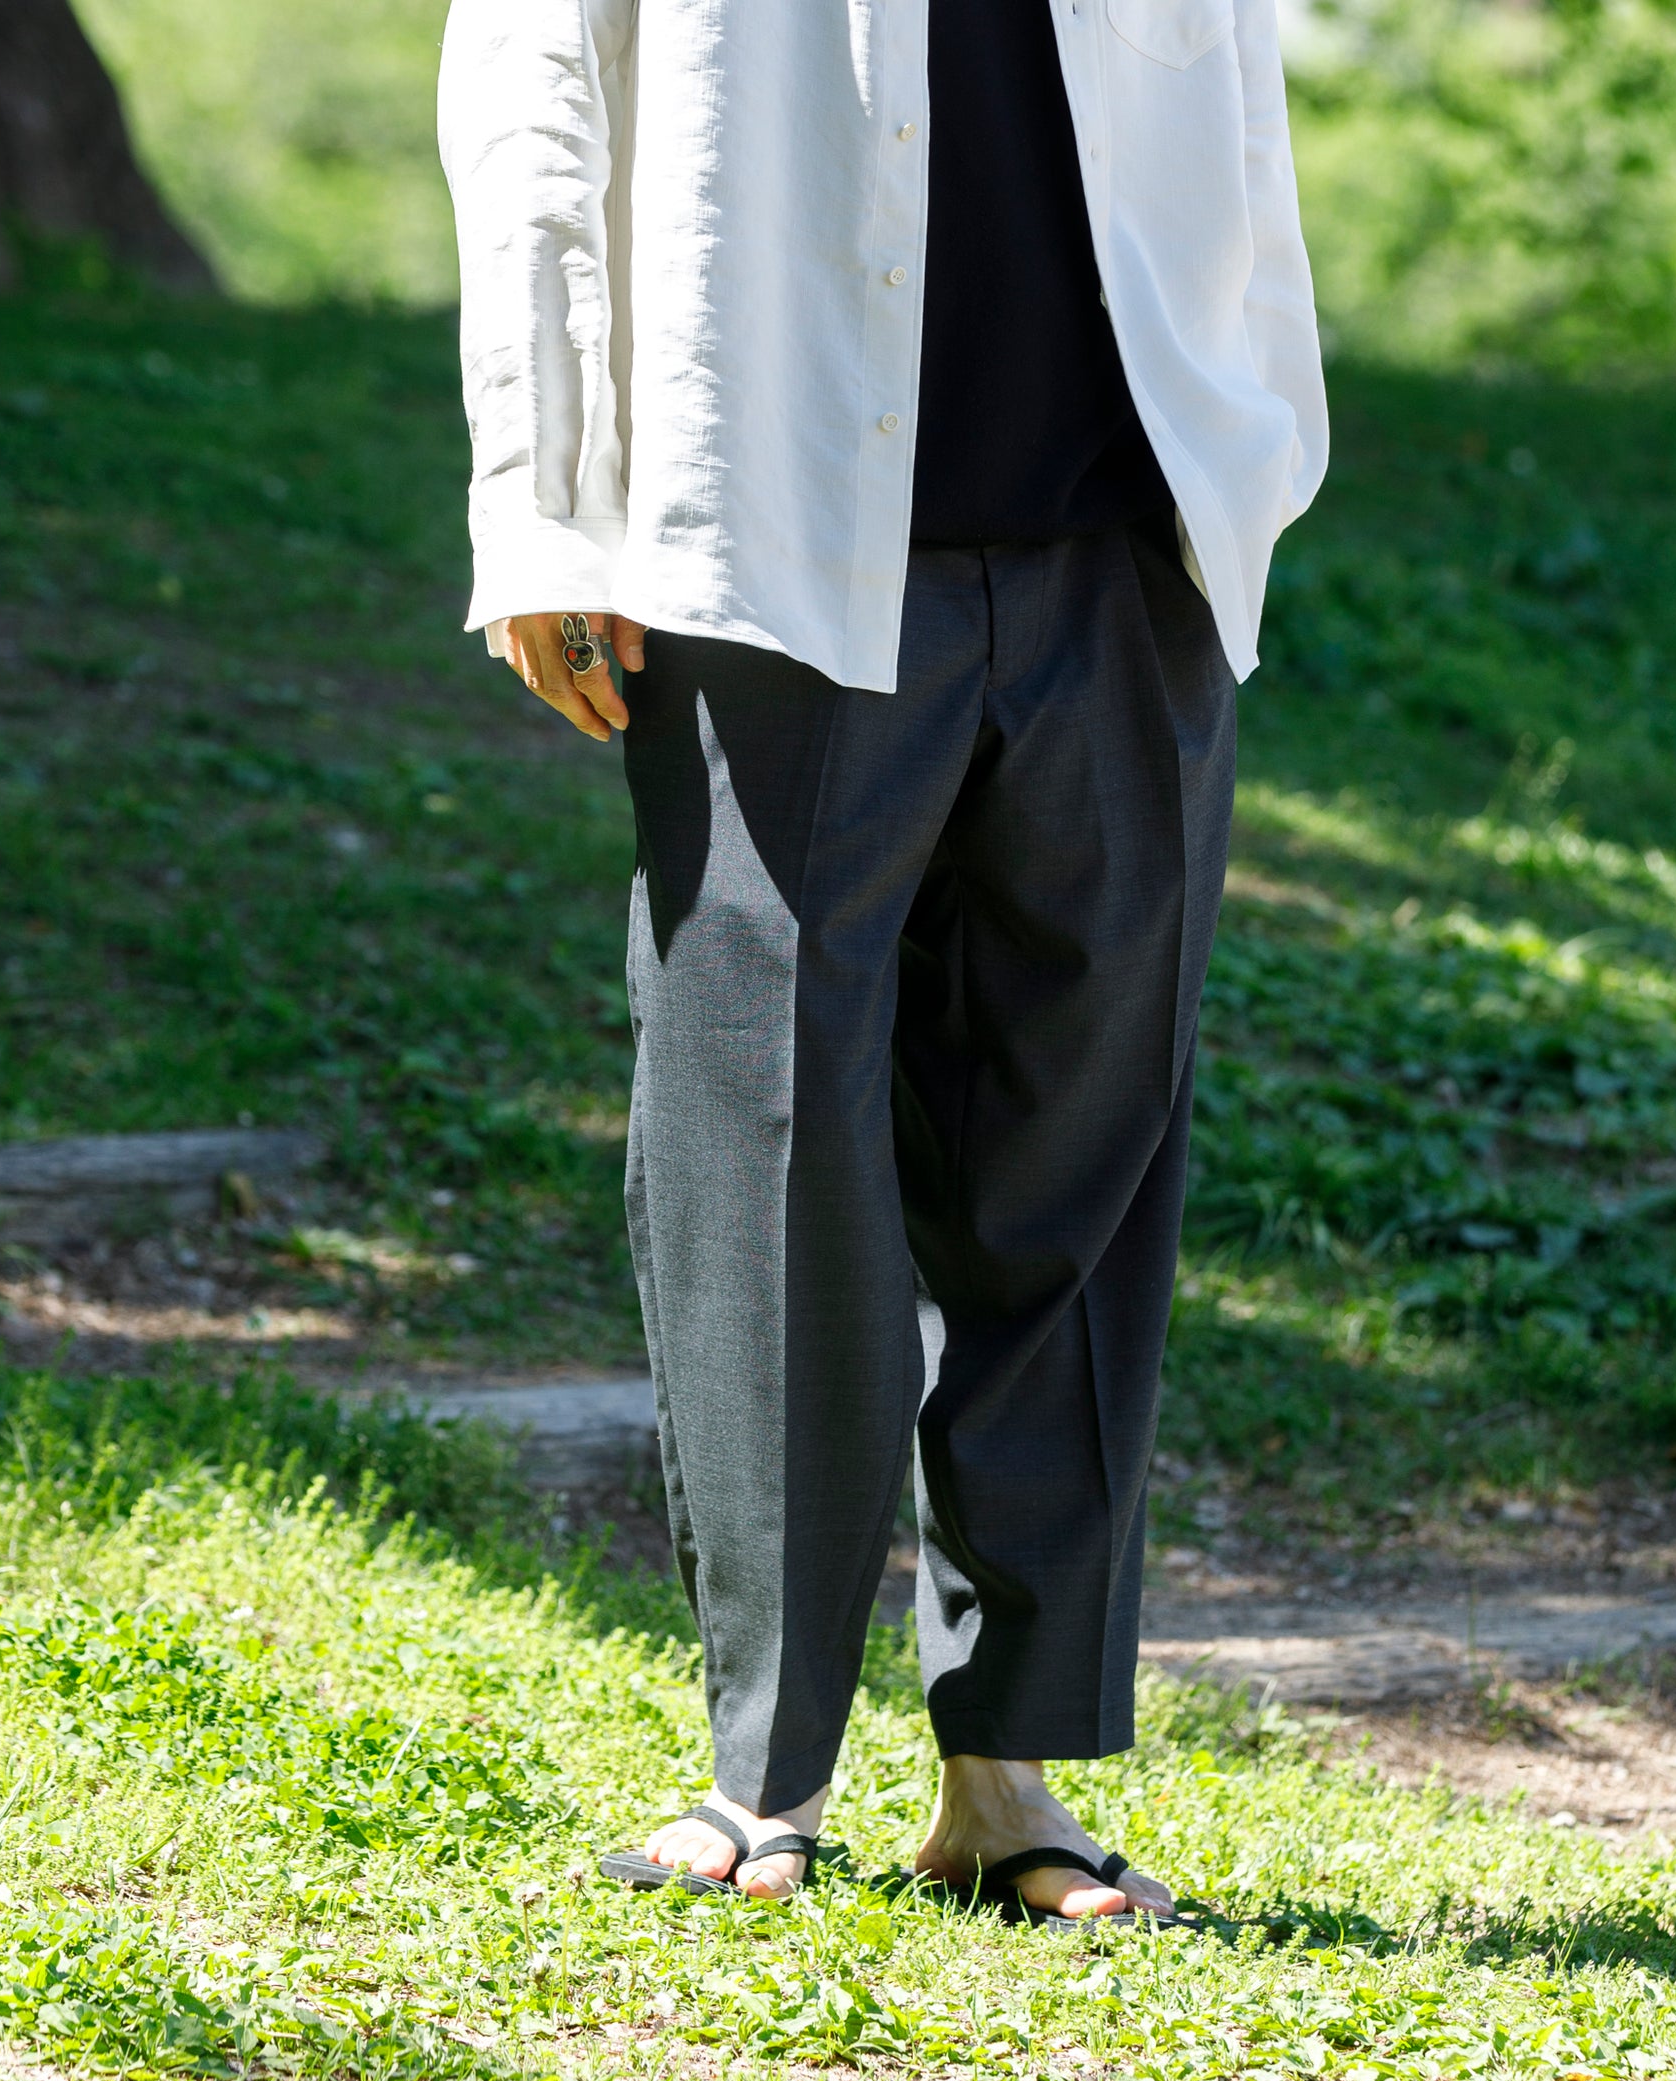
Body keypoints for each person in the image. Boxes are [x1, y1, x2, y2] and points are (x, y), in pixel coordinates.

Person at [439, 0, 1325, 1925]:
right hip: (766, 529)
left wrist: (1252, 446)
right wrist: (541, 501)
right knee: (762, 1134)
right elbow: (535, 99)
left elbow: (1234, 107)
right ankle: (762, 1771)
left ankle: (1010, 1778)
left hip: (1130, 543)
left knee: (1075, 1151)